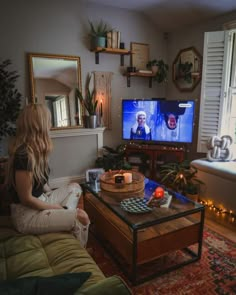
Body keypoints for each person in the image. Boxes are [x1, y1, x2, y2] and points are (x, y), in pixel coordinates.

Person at [6, 103, 90, 248]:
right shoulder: (24, 155)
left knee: (75, 187)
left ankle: (65, 217)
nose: (51, 125)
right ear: (39, 125)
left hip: (40, 200)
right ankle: (80, 246)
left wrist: (52, 196)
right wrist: (55, 208)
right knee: (81, 217)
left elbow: (42, 182)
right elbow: (26, 199)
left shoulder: (36, 150)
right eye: (48, 121)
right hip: (26, 215)